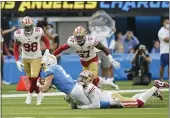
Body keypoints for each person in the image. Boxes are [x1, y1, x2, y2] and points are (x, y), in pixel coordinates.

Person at [53, 26, 120, 89]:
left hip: (92, 60)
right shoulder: (72, 41)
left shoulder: (90, 40)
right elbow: (61, 48)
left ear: (85, 35)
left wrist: (110, 58)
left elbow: (103, 47)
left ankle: (97, 90)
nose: (79, 39)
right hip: (83, 61)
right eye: (77, 37)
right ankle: (109, 83)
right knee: (86, 80)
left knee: (90, 77)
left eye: (80, 37)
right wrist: (52, 55)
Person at [76, 70, 169, 109]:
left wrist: (86, 107)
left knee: (139, 103)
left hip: (114, 99)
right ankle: (152, 92)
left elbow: (96, 105)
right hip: (111, 97)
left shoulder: (89, 87)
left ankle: (156, 86)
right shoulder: (86, 86)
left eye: (84, 78)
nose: (81, 79)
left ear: (89, 79)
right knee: (133, 99)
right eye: (81, 77)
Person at [13, 16, 50, 105]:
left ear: (32, 25)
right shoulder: (19, 34)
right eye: (26, 27)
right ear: (23, 26)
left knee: (34, 76)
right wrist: (17, 60)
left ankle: (29, 94)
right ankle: (38, 94)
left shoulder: (38, 31)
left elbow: (47, 41)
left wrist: (47, 51)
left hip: (36, 56)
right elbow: (15, 48)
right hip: (25, 57)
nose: (28, 28)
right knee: (31, 79)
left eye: (30, 26)